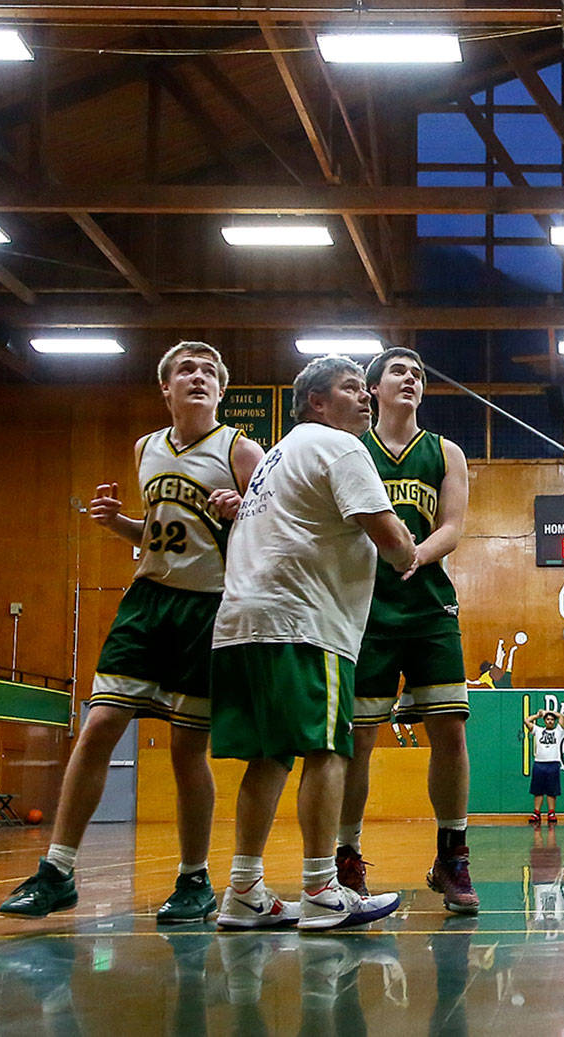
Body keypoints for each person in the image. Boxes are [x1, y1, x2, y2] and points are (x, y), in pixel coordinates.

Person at [2, 341, 261, 922]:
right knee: (98, 726)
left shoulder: (242, 449)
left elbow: (269, 534)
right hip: (147, 602)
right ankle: (58, 870)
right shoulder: (146, 447)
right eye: (184, 370)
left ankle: (194, 878)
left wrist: (239, 510)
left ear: (221, 390)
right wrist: (119, 524)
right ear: (165, 389)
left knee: (185, 747)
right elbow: (163, 532)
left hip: (208, 607)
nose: (197, 377)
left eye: (207, 372)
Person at [211, 355, 416, 932]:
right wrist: (410, 556)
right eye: (352, 390)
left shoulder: (276, 456)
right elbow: (387, 531)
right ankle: (322, 890)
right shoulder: (340, 447)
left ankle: (245, 890)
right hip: (305, 624)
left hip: (240, 626)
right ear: (317, 403)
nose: (366, 398)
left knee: (269, 755)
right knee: (329, 751)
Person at [339, 347, 477, 915]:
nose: (411, 379)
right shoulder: (351, 450)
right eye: (399, 371)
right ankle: (345, 854)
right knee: (360, 739)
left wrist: (414, 554)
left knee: (448, 730)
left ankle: (452, 852)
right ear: (372, 388)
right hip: (364, 609)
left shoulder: (445, 452)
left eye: (419, 374)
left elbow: (453, 526)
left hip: (428, 606)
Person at [522, 708, 564, 824]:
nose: (550, 721)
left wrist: (547, 711)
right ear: (544, 721)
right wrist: (538, 715)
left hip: (553, 763)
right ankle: (536, 813)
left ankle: (551, 813)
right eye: (548, 719)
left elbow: (561, 716)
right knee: (538, 791)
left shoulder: (558, 731)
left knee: (552, 791)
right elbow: (526, 721)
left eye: (552, 719)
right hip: (540, 763)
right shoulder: (538, 730)